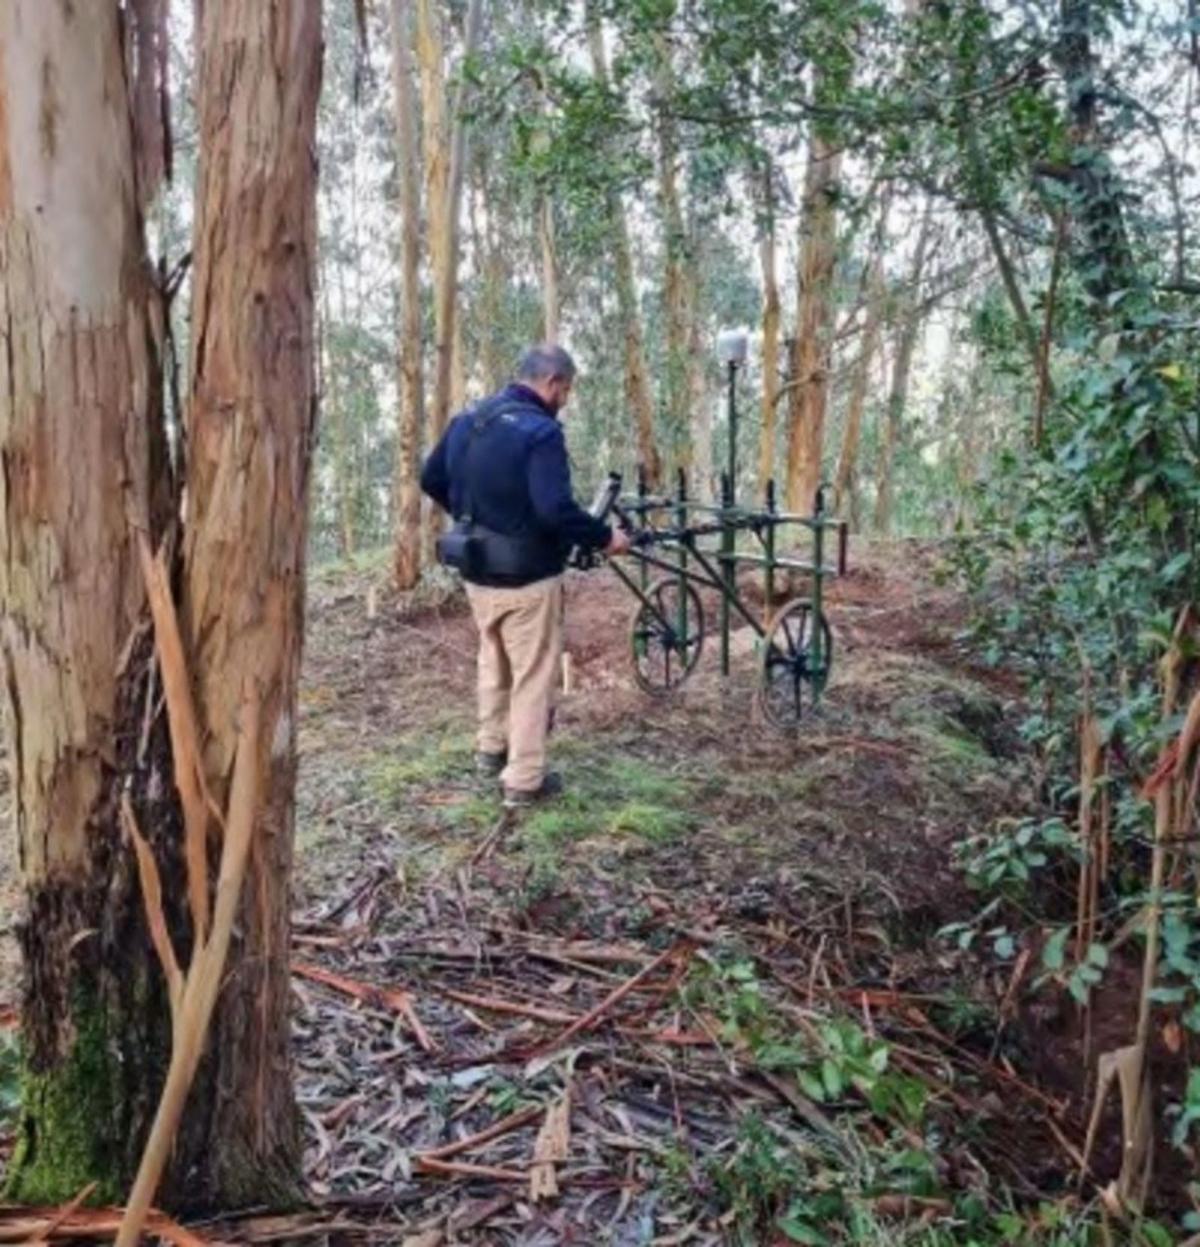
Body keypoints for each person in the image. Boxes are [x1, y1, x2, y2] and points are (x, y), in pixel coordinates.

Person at [420, 344, 631, 806]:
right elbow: (555, 509)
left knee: (493, 658)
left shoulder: (469, 419)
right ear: (553, 382)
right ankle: (524, 779)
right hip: (527, 577)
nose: (565, 400)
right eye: (567, 390)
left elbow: (430, 477)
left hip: (476, 570)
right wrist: (605, 537)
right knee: (533, 675)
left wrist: (473, 517)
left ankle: (490, 748)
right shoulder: (541, 432)